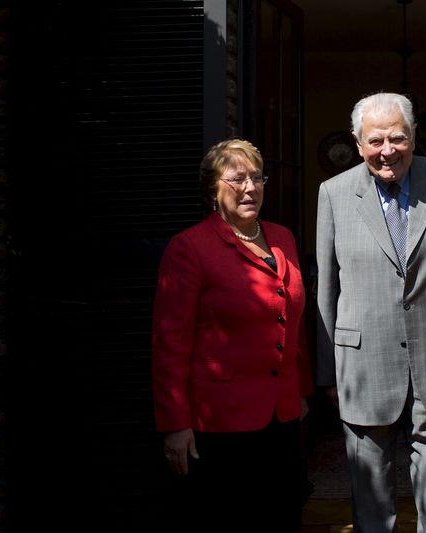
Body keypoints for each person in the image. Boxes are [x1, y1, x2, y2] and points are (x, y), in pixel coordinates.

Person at [315, 93, 426, 532]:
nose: (387, 150)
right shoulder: (334, 194)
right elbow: (326, 289)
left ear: (414, 137)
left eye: (398, 137)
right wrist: (327, 372)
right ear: (358, 144)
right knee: (371, 491)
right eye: (375, 140)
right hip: (362, 366)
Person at [151, 138, 312, 531]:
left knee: (282, 514)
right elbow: (169, 343)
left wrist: (302, 392)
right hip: (219, 425)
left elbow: (295, 323)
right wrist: (175, 424)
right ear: (212, 188)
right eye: (237, 179)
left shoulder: (282, 237)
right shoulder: (189, 248)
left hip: (283, 415)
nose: (250, 188)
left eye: (257, 178)